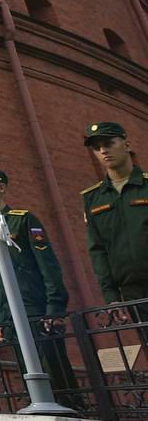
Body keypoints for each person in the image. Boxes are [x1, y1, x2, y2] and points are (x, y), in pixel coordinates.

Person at [0, 166, 81, 406]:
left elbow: (48, 265)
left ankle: (73, 415)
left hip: (35, 307)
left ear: (1, 187)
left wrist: (54, 308)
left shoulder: (23, 220)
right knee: (27, 372)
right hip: (9, 314)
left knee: (54, 369)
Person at [82, 121, 148, 317]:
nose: (103, 151)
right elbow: (98, 249)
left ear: (127, 145)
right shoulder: (93, 197)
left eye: (109, 143)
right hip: (132, 292)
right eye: (96, 147)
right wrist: (111, 296)